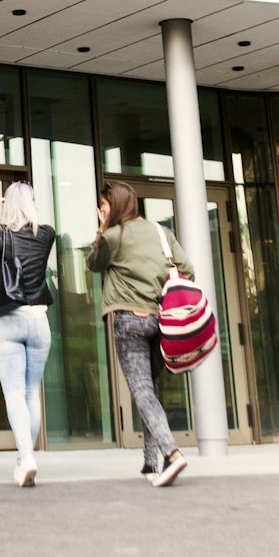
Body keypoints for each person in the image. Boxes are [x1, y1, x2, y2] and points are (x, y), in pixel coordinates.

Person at [88, 181, 190, 487]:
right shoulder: (162, 233)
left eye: (103, 207)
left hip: (129, 321)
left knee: (143, 391)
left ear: (114, 206)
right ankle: (150, 461)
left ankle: (172, 454)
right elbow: (188, 270)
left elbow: (93, 263)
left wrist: (102, 228)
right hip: (162, 321)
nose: (101, 212)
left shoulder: (112, 236)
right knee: (150, 390)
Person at [0, 182, 56, 487]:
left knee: (13, 393)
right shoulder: (47, 234)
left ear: (6, 202)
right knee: (31, 392)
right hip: (39, 321)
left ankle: (26, 456)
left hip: (7, 319)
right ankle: (25, 457)